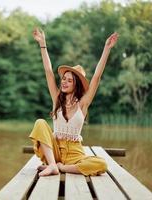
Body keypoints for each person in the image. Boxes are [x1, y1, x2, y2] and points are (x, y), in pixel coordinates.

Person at [29, 27, 119, 176]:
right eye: (64, 79)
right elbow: (48, 71)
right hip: (55, 152)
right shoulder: (57, 98)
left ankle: (61, 168)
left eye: (69, 80)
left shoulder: (82, 103)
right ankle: (52, 165)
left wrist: (106, 49)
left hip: (75, 155)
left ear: (76, 84)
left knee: (101, 164)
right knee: (40, 123)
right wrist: (42, 44)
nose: (64, 82)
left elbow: (96, 77)